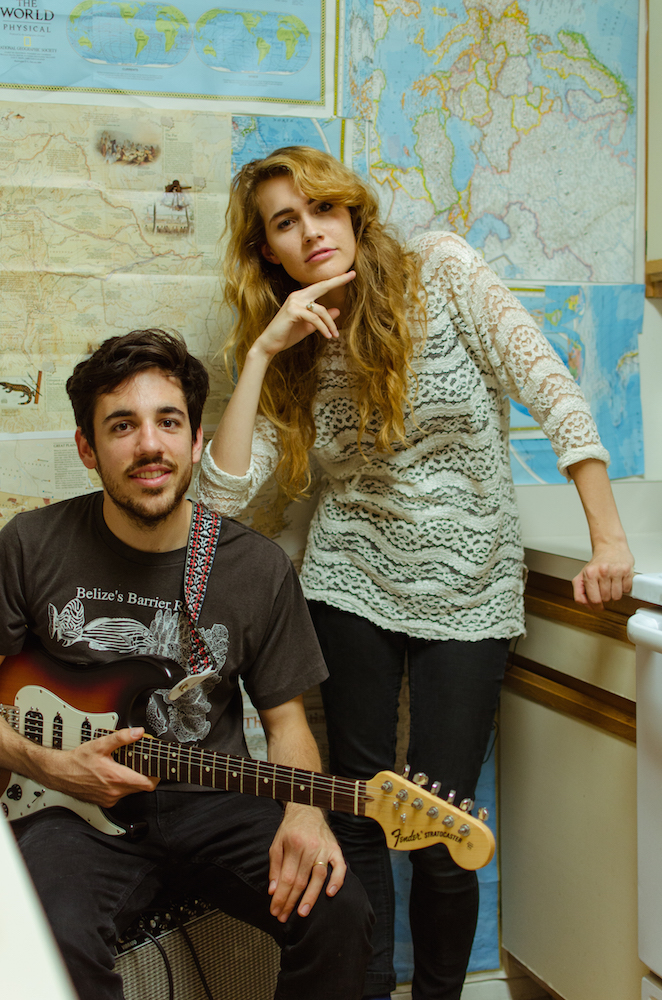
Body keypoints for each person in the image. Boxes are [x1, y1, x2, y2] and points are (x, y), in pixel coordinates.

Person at [196, 146, 635, 1000]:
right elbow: (219, 502)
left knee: (440, 821)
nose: (311, 231)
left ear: (353, 212)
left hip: (470, 578)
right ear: (267, 252)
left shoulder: (441, 269)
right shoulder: (289, 338)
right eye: (285, 222)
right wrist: (261, 355)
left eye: (323, 208)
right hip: (348, 579)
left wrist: (608, 539)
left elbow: (551, 388)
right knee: (361, 804)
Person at [0, 328, 373, 1000]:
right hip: (71, 814)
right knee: (47, 938)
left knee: (338, 909)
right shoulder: (30, 544)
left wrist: (306, 811)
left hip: (214, 804)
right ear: (87, 448)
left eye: (168, 422)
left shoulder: (254, 566)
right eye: (122, 425)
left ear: (197, 441)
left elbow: (287, 724)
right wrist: (50, 765)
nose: (150, 445)